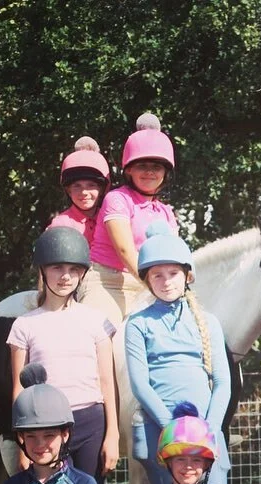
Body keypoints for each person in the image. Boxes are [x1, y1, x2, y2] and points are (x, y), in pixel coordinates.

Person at [125, 223, 233, 484]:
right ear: (147, 280)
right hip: (160, 430)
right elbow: (140, 385)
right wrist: (172, 428)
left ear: (187, 275)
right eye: (157, 275)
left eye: (173, 273)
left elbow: (223, 382)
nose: (166, 281)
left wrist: (209, 429)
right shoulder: (137, 324)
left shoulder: (208, 322)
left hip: (206, 429)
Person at [7, 226, 118, 484]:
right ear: (43, 271)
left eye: (73, 269)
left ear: (82, 273)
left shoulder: (97, 321)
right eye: (57, 268)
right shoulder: (24, 325)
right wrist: (21, 443)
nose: (66, 276)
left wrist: (112, 434)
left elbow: (107, 382)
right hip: (45, 427)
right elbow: (19, 390)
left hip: (92, 422)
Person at [80, 112, 178, 325]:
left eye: (156, 167)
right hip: (110, 283)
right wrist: (153, 284)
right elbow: (125, 250)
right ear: (129, 169)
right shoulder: (117, 199)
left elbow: (173, 255)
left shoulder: (166, 212)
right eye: (142, 165)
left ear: (165, 172)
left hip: (151, 285)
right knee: (101, 332)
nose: (149, 172)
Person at [49, 136, 111, 245]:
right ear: (68, 190)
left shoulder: (110, 219)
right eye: (77, 186)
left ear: (102, 189)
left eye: (91, 185)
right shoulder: (61, 224)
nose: (84, 192)